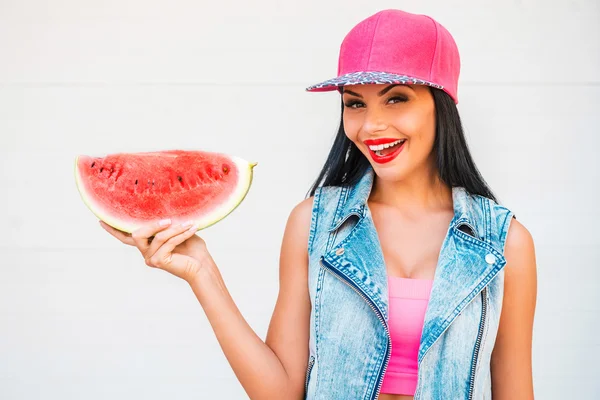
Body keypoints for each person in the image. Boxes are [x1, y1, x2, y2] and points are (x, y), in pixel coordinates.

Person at [100, 9, 537, 400]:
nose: (372, 125)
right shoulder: (313, 224)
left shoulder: (505, 244)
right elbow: (279, 392)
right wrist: (202, 273)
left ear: (442, 106)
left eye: (396, 97)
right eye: (355, 104)